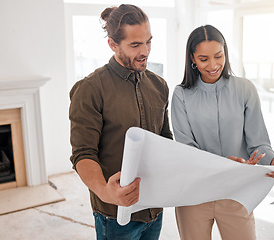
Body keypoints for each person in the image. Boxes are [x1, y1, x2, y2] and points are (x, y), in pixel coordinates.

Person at [171, 25, 274, 240]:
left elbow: (258, 142)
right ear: (192, 58)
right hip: (194, 194)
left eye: (218, 56)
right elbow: (186, 150)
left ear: (225, 52)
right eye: (203, 58)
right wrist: (225, 162)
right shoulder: (181, 95)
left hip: (236, 192)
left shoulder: (245, 89)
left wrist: (273, 161)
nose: (213, 65)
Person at [69, 4, 172, 240]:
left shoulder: (159, 85)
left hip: (154, 208)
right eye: (135, 45)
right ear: (113, 45)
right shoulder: (91, 89)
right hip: (115, 215)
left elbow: (165, 139)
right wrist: (106, 192)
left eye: (148, 41)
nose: (145, 51)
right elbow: (83, 154)